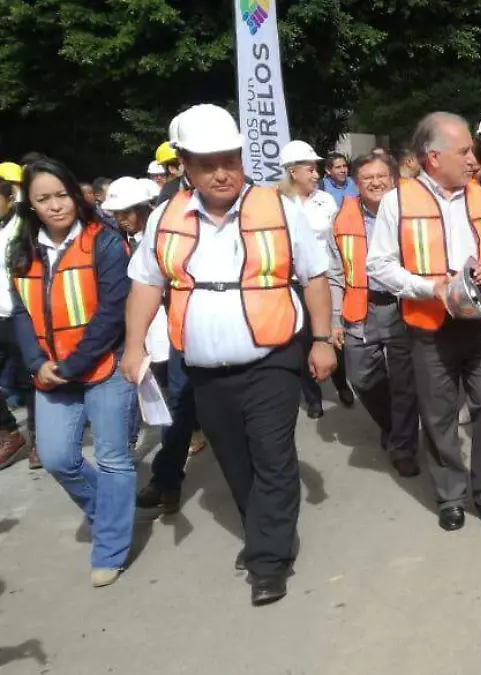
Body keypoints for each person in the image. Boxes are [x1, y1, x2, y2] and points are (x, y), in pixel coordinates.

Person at [123, 103, 337, 605]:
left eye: (230, 160)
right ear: (186, 167)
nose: (221, 172)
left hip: (273, 358)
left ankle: (268, 560)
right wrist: (134, 347)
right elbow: (145, 284)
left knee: (272, 454)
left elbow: (315, 276)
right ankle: (263, 530)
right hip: (204, 369)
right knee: (235, 462)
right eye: (206, 163)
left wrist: (324, 339)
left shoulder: (280, 208)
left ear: (242, 159)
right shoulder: (165, 218)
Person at [367, 112, 481, 532]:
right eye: (465, 150)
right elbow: (378, 264)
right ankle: (451, 495)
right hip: (430, 327)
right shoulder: (398, 201)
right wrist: (427, 288)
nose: (474, 158)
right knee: (438, 413)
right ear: (433, 157)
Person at [9, 158, 136, 585]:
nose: (55, 205)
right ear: (30, 204)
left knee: (113, 457)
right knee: (59, 458)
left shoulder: (104, 240)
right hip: (49, 373)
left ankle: (111, 546)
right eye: (43, 199)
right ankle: (111, 510)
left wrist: (72, 365)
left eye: (61, 194)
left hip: (102, 366)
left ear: (75, 194)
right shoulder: (22, 249)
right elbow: (21, 315)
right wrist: (36, 364)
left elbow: (113, 311)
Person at [96, 177, 202, 515]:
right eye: (116, 213)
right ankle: (168, 479)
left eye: (125, 212)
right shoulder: (122, 242)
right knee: (175, 408)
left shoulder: (166, 236)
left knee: (183, 408)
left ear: (143, 208)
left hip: (186, 333)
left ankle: (168, 479)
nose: (121, 219)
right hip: (157, 339)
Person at [328, 153, 421, 478]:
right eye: (367, 178)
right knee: (361, 378)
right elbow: (335, 271)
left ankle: (404, 447)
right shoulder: (342, 218)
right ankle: (396, 425)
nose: (375, 182)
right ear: (355, 183)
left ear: (393, 178)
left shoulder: (412, 212)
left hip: (403, 305)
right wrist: (333, 318)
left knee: (405, 381)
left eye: (381, 176)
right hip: (361, 307)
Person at [279, 140, 355, 417]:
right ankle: (312, 397)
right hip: (293, 284)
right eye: (310, 169)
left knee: (333, 331)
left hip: (326, 278)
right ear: (292, 172)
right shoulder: (278, 205)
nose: (316, 174)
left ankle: (341, 382)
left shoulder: (325, 200)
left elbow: (336, 240)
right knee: (303, 339)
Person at [0, 177, 31, 470]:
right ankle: (9, 432)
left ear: (10, 197)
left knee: (30, 380)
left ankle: (38, 439)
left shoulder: (22, 228)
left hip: (20, 314)